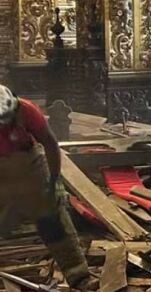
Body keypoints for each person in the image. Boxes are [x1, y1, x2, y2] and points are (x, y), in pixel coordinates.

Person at [0, 85, 90, 288]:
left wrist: (55, 180)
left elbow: (50, 143)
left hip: (30, 165)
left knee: (52, 220)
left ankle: (78, 276)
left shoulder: (27, 110)